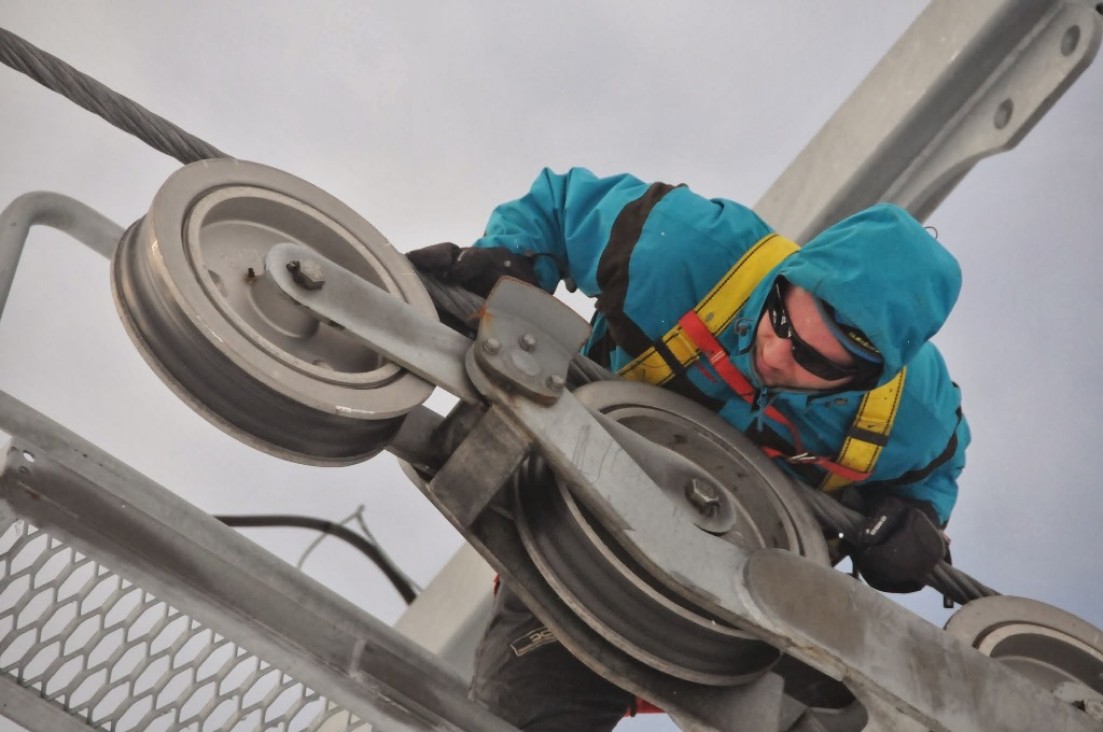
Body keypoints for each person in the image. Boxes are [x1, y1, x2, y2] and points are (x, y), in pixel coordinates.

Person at [408, 166, 970, 731]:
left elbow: (934, 473)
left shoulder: (911, 416)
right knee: (527, 714)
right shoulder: (684, 248)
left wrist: (915, 522)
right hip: (586, 534)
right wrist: (510, 259)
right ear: (788, 277)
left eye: (816, 362)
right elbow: (559, 209)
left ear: (864, 378)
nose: (778, 355)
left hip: (745, 610)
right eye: (781, 320)